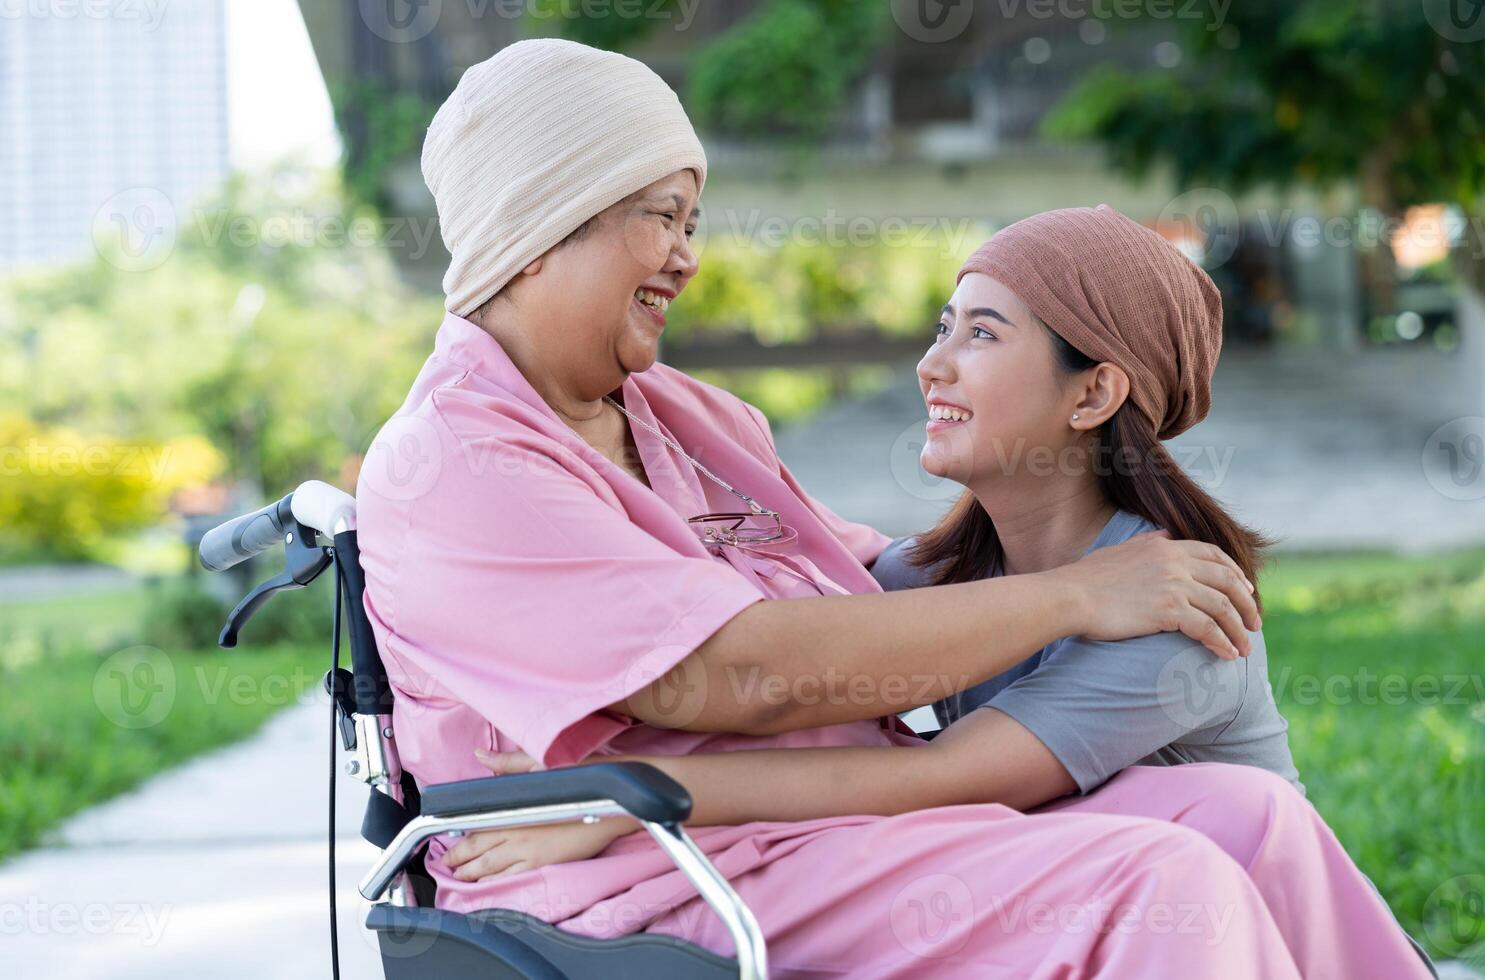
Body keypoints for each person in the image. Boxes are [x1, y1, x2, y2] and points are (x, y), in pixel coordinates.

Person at [358, 39, 1327, 978]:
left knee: (1246, 817)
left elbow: (858, 590)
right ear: (537, 226)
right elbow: (741, 674)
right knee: (1158, 884)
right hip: (668, 870)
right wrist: (1079, 595)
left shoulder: (690, 417)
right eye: (664, 216)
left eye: (690, 221)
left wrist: (1098, 577)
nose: (688, 257)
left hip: (823, 830)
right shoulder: (456, 460)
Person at [449, 207, 1434, 978]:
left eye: (983, 334)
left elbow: (924, 783)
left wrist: (628, 802)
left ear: (1092, 394)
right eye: (942, 326)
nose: (932, 363)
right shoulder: (942, 578)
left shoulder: (1177, 614)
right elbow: (779, 643)